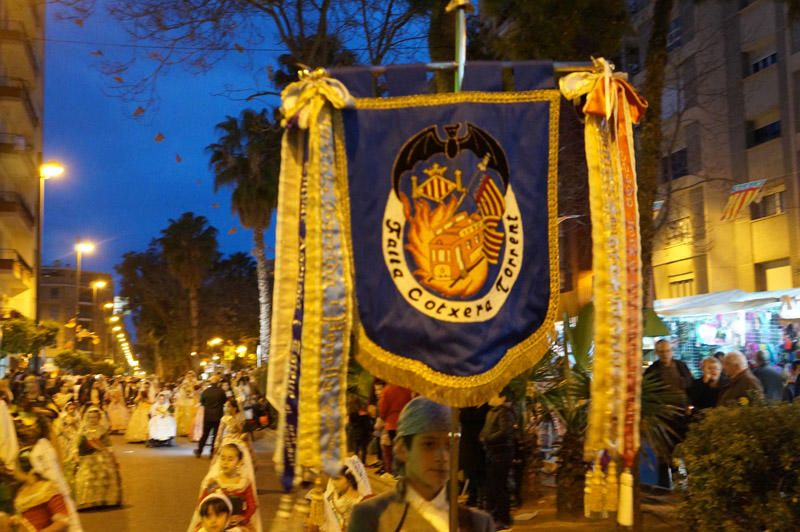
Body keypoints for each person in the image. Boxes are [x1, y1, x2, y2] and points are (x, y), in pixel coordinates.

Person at [349, 397, 494, 532]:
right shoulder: (370, 517)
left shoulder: (478, 523)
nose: (442, 457)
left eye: (449, 445)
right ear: (402, 449)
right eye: (429, 444)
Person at [191, 441, 262, 532]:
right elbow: (202, 501)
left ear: (239, 462)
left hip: (234, 523)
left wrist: (243, 517)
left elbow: (252, 505)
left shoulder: (244, 483)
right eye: (223, 458)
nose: (225, 462)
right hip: (215, 521)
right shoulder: (214, 482)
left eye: (230, 459)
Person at [11, 448, 75, 532]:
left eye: (16, 467)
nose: (13, 471)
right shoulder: (21, 491)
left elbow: (64, 521)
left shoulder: (47, 489)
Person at [480, 390, 516, 530]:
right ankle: (494, 516)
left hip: (502, 452)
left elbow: (504, 431)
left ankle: (503, 518)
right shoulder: (492, 412)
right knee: (493, 486)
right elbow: (487, 429)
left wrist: (488, 438)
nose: (490, 398)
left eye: (493, 395)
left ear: (502, 398)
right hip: (492, 451)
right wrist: (482, 436)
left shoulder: (504, 413)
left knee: (500, 486)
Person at [73, 406, 122, 510]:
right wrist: (77, 454)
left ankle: (104, 499)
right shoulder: (83, 430)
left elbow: (108, 444)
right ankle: (88, 500)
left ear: (99, 418)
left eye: (95, 417)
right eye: (90, 417)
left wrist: (112, 456)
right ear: (87, 418)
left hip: (102, 455)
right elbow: (77, 444)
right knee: (87, 477)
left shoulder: (102, 429)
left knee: (105, 474)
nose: (93, 419)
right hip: (87, 457)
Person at [322, 456, 372, 532]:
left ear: (349, 480)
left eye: (338, 479)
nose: (333, 483)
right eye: (332, 478)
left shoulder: (359, 503)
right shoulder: (334, 493)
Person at [377, 383, 412, 477]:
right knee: (404, 449)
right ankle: (404, 473)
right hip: (405, 423)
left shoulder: (387, 390)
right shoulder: (408, 389)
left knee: (395, 450)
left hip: (392, 424)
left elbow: (382, 409)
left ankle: (396, 474)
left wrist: (383, 418)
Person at [51, 401, 81, 493]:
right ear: (67, 409)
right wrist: (65, 433)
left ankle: (75, 467)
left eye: (73, 409)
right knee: (65, 452)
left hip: (74, 435)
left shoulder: (76, 417)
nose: (71, 410)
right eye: (70, 409)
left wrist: (75, 425)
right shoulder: (63, 417)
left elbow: (79, 427)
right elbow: (60, 428)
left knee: (74, 450)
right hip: (65, 437)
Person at [195, 376, 227, 458]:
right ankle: (212, 452)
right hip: (218, 415)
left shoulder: (206, 391)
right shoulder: (221, 392)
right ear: (218, 382)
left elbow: (202, 402)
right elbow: (224, 401)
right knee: (216, 435)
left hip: (208, 416)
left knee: (205, 434)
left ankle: (199, 450)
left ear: (210, 382)